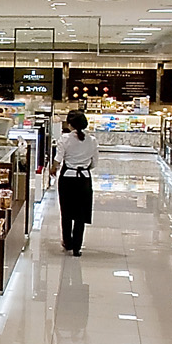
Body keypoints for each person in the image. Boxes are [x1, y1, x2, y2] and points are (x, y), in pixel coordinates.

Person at [48, 108, 99, 255]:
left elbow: (58, 159)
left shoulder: (65, 139)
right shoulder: (92, 140)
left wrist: (53, 170)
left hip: (67, 179)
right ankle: (77, 247)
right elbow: (94, 163)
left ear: (70, 124)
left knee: (66, 212)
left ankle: (67, 242)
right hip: (84, 179)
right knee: (81, 214)